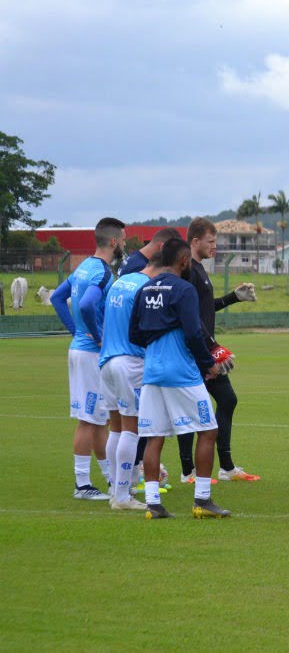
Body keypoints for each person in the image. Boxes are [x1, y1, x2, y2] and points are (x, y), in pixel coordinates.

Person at [130, 237, 230, 520]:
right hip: (182, 373)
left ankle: (153, 505)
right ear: (184, 260)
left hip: (152, 372)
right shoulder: (185, 289)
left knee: (154, 438)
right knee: (208, 430)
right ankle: (202, 500)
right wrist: (208, 364)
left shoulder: (145, 288)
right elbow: (192, 333)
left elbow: (134, 335)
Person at [176, 218, 259, 484]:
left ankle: (225, 467)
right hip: (195, 350)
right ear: (195, 242)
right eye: (211, 242)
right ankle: (188, 471)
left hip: (204, 347)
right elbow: (188, 314)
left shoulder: (199, 268)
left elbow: (204, 307)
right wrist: (212, 346)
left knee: (227, 400)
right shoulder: (188, 269)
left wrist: (233, 297)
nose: (215, 247)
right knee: (193, 408)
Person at [50, 216, 125, 500]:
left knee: (98, 418)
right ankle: (82, 485)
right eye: (124, 239)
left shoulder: (83, 268)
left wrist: (76, 331)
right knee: (87, 419)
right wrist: (95, 334)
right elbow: (88, 303)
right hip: (90, 353)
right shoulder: (102, 273)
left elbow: (58, 298)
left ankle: (109, 477)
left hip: (82, 349)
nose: (125, 244)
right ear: (114, 242)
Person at [98, 245, 164, 511]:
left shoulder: (122, 280)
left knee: (115, 427)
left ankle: (116, 489)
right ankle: (123, 497)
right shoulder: (146, 288)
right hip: (130, 362)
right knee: (131, 428)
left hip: (107, 360)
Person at [121, 227, 182, 477]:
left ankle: (134, 472)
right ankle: (134, 472)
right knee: (131, 424)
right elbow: (135, 317)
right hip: (132, 355)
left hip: (128, 351)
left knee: (130, 423)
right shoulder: (139, 270)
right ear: (161, 249)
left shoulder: (133, 264)